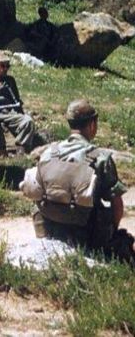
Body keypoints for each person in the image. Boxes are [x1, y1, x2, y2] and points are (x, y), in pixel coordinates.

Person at [28, 100, 134, 265]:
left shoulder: (49, 153)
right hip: (87, 235)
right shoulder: (100, 158)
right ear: (92, 124)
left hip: (51, 229)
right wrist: (111, 232)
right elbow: (117, 205)